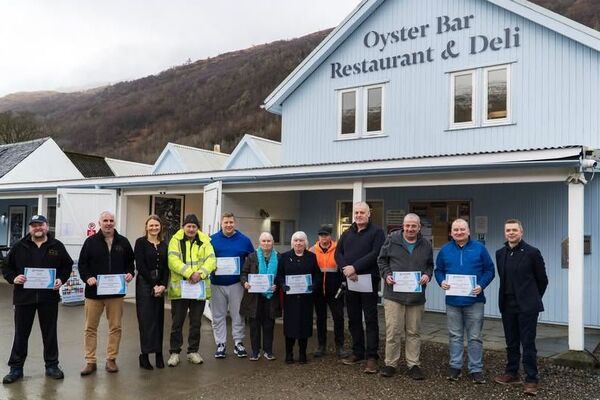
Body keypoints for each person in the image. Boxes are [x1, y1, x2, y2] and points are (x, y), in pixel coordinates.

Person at [2, 215, 73, 384]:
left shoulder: (57, 246)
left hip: (48, 298)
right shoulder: (19, 246)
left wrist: (60, 279)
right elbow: (6, 266)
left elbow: (67, 265)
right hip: (23, 298)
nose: (37, 228)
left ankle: (52, 366)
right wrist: (13, 278)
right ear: (29, 228)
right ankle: (16, 368)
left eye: (40, 224)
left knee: (49, 333)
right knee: (21, 334)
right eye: (34, 225)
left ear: (47, 226)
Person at [435, 218, 495, 384]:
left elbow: (490, 270)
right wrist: (441, 282)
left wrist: (481, 285)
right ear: (451, 233)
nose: (459, 232)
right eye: (456, 230)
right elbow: (438, 270)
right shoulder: (445, 250)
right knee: (455, 335)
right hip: (453, 301)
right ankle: (455, 366)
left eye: (462, 229)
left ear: (469, 231)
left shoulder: (480, 248)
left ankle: (476, 369)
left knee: (475, 337)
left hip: (475, 300)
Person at [494, 219, 548, 397]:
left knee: (528, 343)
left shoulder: (532, 252)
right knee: (511, 342)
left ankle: (531, 379)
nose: (511, 233)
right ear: (505, 233)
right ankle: (512, 372)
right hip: (507, 305)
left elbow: (542, 280)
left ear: (521, 232)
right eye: (508, 230)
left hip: (527, 306)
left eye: (514, 230)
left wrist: (532, 298)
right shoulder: (500, 253)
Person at [377, 213, 433, 380]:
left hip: (415, 297)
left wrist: (427, 275)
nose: (410, 229)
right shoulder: (392, 240)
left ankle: (413, 364)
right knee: (393, 331)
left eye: (413, 226)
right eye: (407, 225)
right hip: (394, 295)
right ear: (403, 226)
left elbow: (430, 265)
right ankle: (390, 364)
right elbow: (381, 260)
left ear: (419, 227)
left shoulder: (425, 244)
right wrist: (386, 274)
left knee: (414, 332)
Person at [78, 211, 135, 376]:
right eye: (105, 220)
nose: (108, 223)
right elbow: (82, 264)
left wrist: (130, 273)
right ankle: (90, 361)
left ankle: (111, 359)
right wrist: (87, 277)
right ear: (99, 222)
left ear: (114, 222)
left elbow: (130, 263)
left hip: (115, 294)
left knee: (115, 327)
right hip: (93, 293)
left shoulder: (123, 242)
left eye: (111, 220)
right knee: (90, 328)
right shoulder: (90, 242)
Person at [335, 201, 385, 374]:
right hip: (351, 281)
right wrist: (346, 269)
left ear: (369, 213)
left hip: (369, 280)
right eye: (356, 213)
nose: (358, 215)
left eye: (362, 212)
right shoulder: (347, 232)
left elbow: (375, 253)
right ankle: (358, 352)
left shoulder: (377, 232)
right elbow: (338, 253)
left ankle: (372, 357)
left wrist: (354, 267)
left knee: (370, 319)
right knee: (354, 318)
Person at [166, 214, 216, 367]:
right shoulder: (175, 241)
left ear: (197, 228)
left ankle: (192, 352)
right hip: (180, 289)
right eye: (188, 226)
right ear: (183, 227)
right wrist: (189, 273)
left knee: (195, 323)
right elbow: (172, 261)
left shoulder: (205, 241)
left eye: (194, 226)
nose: (191, 229)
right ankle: (175, 352)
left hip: (198, 289)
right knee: (177, 322)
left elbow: (211, 260)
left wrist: (199, 274)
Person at [210, 212, 255, 359]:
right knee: (218, 315)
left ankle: (238, 343)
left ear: (234, 223)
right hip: (216, 284)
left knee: (237, 315)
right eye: (226, 223)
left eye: (231, 222)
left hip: (236, 284)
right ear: (221, 224)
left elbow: (252, 260)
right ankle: (221, 344)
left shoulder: (245, 240)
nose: (228, 225)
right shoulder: (212, 240)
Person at [276, 231, 321, 364]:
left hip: (306, 298)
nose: (298, 243)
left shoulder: (312, 257)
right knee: (289, 325)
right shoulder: (284, 257)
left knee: (304, 325)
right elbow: (280, 275)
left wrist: (314, 285)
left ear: (305, 242)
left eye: (301, 240)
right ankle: (289, 353)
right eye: (296, 240)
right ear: (292, 242)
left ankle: (302, 353)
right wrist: (283, 284)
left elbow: (317, 275)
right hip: (290, 298)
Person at [134, 215, 169, 370]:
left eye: (157, 225)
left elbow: (166, 268)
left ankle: (159, 354)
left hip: (159, 284)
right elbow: (140, 266)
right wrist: (154, 284)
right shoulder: (140, 243)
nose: (154, 228)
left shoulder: (164, 244)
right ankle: (145, 355)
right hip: (145, 283)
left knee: (158, 319)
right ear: (146, 227)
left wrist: (163, 285)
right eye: (151, 225)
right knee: (146, 321)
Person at [239, 232, 281, 360]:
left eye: (269, 241)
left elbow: (281, 275)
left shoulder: (279, 257)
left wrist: (277, 285)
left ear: (272, 242)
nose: (266, 243)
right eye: (263, 241)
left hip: (271, 297)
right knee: (254, 326)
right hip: (254, 298)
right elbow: (243, 273)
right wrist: (245, 282)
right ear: (259, 242)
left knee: (269, 325)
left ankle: (268, 351)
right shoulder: (252, 257)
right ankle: (255, 351)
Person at [309, 225, 347, 358]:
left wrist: (343, 285)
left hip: (335, 291)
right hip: (319, 291)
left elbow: (344, 268)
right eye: (321, 235)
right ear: (318, 236)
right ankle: (321, 345)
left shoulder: (338, 249)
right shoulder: (312, 250)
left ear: (331, 236)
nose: (324, 238)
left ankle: (340, 346)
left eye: (326, 235)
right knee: (320, 319)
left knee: (338, 318)